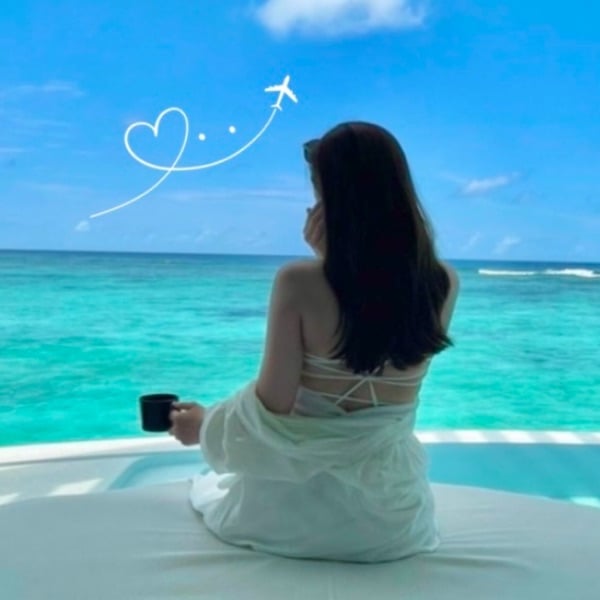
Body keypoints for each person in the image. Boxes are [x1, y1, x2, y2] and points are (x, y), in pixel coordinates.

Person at [168, 121, 460, 562]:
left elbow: (273, 406)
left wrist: (205, 427)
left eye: (319, 195)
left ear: (334, 203)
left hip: (293, 517)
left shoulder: (298, 281)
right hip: (391, 523)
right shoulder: (443, 283)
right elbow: (373, 326)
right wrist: (334, 261)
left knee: (212, 492)